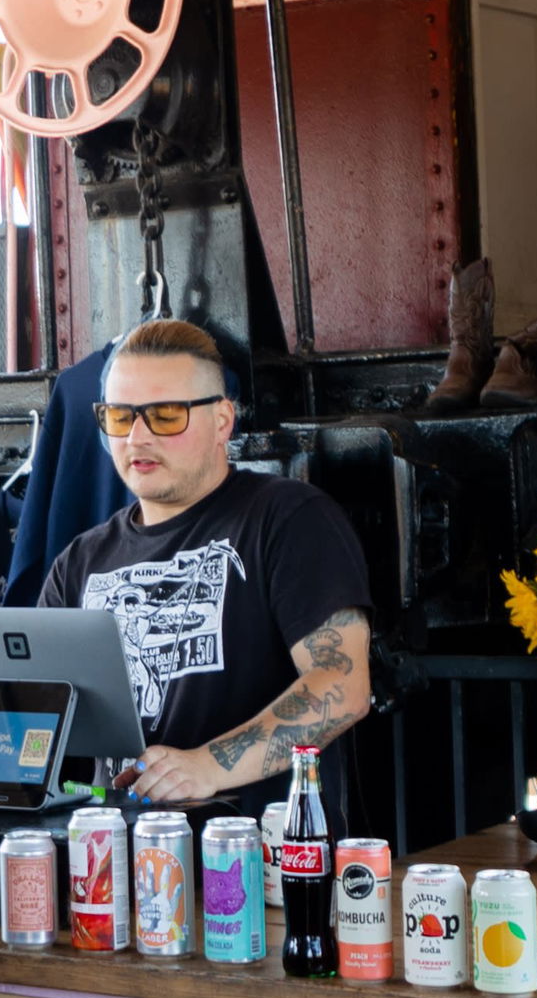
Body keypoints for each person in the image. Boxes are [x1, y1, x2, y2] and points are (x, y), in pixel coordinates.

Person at [37, 316, 377, 807]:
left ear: (222, 421)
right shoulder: (79, 561)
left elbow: (342, 685)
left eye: (166, 415)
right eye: (119, 416)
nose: (137, 437)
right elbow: (38, 711)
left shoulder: (288, 518)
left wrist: (208, 765)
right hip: (113, 859)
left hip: (255, 861)